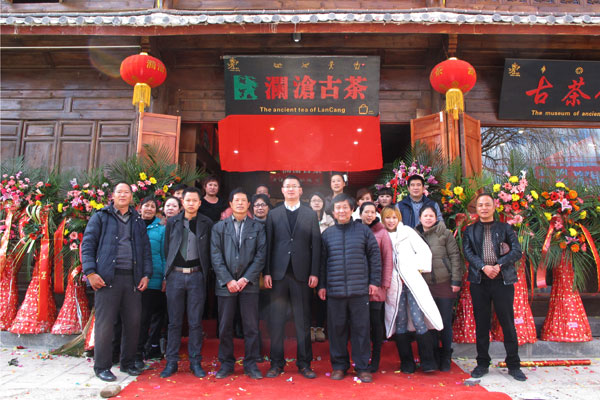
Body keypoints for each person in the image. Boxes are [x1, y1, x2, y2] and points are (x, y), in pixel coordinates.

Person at [81, 182, 152, 382]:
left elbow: (145, 250)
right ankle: (102, 366)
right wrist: (90, 272)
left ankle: (127, 363)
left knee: (133, 323)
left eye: (126, 192)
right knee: (105, 324)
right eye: (119, 192)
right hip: (107, 279)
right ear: (112, 196)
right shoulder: (101, 217)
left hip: (132, 278)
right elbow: (87, 245)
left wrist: (146, 274)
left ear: (131, 196)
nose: (122, 195)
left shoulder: (137, 220)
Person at [318, 194, 382, 383]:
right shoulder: (327, 234)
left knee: (361, 330)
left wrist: (374, 282)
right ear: (333, 212)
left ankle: (362, 367)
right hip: (335, 291)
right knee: (336, 330)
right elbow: (322, 263)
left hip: (359, 290)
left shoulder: (364, 231)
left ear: (352, 209)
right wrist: (322, 286)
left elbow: (374, 257)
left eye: (345, 207)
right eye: (338, 208)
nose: (342, 211)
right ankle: (339, 366)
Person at [463, 193, 526, 381]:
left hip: (502, 281)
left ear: (494, 207)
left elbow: (517, 251)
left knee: (507, 323)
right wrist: (484, 267)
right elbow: (468, 252)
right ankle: (482, 363)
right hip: (479, 281)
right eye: (480, 205)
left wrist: (499, 265)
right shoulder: (470, 230)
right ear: (477, 208)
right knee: (481, 323)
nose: (484, 208)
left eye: (487, 204)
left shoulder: (505, 228)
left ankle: (514, 364)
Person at [263, 175, 321, 379]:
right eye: (287, 186)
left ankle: (304, 363)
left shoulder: (309, 214)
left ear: (300, 190)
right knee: (277, 320)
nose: (290, 189)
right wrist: (266, 272)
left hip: (302, 274)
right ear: (282, 190)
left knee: (302, 320)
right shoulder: (273, 214)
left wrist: (315, 272)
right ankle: (276, 363)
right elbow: (268, 245)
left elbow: (316, 245)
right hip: (278, 274)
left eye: (294, 186)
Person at [211, 188, 267, 380]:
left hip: (249, 284)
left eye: (244, 200)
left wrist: (245, 279)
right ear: (231, 204)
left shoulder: (257, 227)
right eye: (237, 200)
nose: (241, 203)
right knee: (225, 326)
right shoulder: (219, 227)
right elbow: (215, 255)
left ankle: (251, 364)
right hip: (225, 284)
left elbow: (261, 256)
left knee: (251, 327)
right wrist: (228, 280)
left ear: (249, 204)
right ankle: (226, 364)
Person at [160, 187, 213, 379]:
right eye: (187, 200)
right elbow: (167, 249)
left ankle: (195, 362)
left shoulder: (207, 223)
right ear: (182, 202)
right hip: (175, 276)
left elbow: (209, 250)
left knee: (195, 322)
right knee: (174, 322)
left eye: (194, 200)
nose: (191, 203)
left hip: (197, 276)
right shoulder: (173, 221)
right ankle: (171, 362)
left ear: (200, 203)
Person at [382, 206, 442, 374]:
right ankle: (406, 362)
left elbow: (424, 252)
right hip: (394, 285)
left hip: (412, 282)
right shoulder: (381, 234)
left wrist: (409, 269)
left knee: (418, 318)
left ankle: (428, 361)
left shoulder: (407, 232)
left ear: (399, 218)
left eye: (394, 217)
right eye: (388, 218)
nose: (391, 221)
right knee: (400, 321)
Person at [416, 205, 464, 371]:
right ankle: (433, 355)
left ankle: (446, 356)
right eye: (425, 215)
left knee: (444, 322)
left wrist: (456, 281)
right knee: (429, 323)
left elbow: (455, 257)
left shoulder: (445, 233)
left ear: (436, 218)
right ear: (420, 218)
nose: (428, 218)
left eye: (431, 215)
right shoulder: (415, 235)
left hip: (444, 283)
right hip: (424, 286)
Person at [359, 201, 393, 373]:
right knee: (361, 324)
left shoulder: (382, 232)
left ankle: (376, 359)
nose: (369, 215)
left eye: (372, 212)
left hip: (376, 286)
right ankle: (363, 358)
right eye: (366, 212)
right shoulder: (356, 230)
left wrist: (384, 283)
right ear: (360, 214)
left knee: (375, 323)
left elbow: (387, 259)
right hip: (358, 286)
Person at [136, 197, 167, 363]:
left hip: (155, 277)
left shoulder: (161, 229)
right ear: (140, 208)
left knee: (151, 316)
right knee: (138, 318)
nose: (149, 208)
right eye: (146, 205)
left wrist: (165, 277)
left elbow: (164, 255)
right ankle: (136, 351)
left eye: (152, 206)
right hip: (135, 277)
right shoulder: (133, 225)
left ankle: (150, 348)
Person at [308, 192, 333, 343]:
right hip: (307, 263)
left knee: (322, 295)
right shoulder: (304, 218)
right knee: (308, 296)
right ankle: (310, 327)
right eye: (313, 200)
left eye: (319, 200)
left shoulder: (330, 220)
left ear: (323, 203)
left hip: (325, 262)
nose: (316, 203)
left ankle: (320, 327)